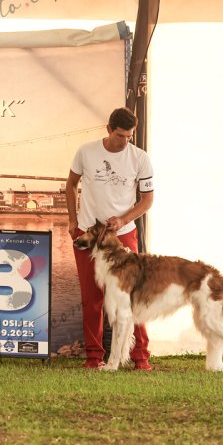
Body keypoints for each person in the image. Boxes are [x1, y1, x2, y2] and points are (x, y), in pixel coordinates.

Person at [65, 107, 155, 370]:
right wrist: (72, 221)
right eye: (120, 136)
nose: (125, 141)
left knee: (133, 296)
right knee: (92, 297)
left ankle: (140, 356)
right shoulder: (86, 151)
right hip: (87, 233)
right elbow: (71, 184)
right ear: (108, 130)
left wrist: (123, 220)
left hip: (123, 236)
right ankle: (94, 356)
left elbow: (147, 200)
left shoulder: (140, 158)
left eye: (129, 136)